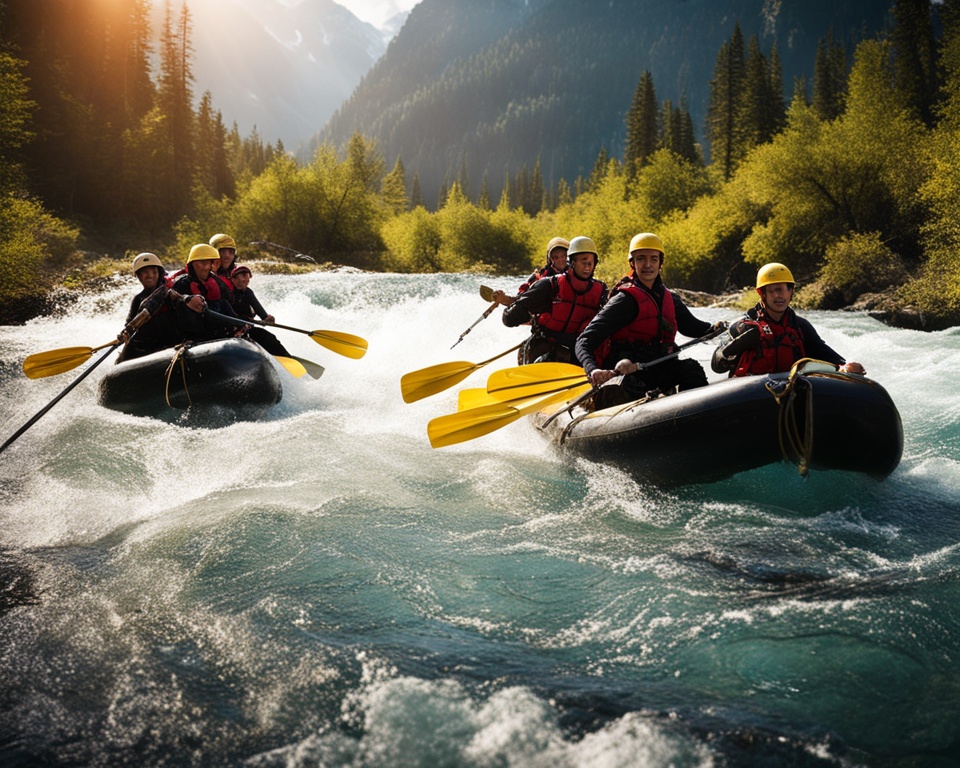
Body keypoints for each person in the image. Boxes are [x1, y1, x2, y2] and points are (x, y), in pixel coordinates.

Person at [576, 232, 723, 406]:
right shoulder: (624, 301)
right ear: (632, 263)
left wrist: (720, 328)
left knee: (692, 370)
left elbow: (695, 328)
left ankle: (697, 417)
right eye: (641, 259)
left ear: (661, 263)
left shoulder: (671, 299)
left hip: (660, 366)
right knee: (630, 385)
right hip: (627, 371)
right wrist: (593, 370)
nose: (648, 265)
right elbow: (584, 341)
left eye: (653, 259)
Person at [711, 262, 866, 377]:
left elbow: (831, 359)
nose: (781, 295)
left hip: (790, 398)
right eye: (775, 290)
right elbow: (716, 365)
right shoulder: (743, 326)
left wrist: (846, 367)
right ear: (762, 293)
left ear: (792, 292)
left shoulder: (800, 327)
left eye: (786, 289)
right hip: (752, 399)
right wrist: (733, 349)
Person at [502, 236, 608, 364]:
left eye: (590, 261)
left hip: (577, 352)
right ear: (572, 262)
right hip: (545, 345)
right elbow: (509, 318)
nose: (587, 265)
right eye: (583, 260)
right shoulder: (548, 285)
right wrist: (530, 311)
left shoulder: (600, 291)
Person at [118, 252, 204, 361]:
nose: (150, 275)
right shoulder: (138, 299)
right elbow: (130, 323)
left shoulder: (171, 292)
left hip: (171, 344)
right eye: (145, 272)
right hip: (147, 348)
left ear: (159, 274)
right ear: (139, 276)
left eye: (154, 272)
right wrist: (125, 335)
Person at [171, 243, 242, 341]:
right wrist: (187, 300)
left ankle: (236, 327)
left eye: (209, 263)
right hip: (195, 333)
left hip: (216, 330)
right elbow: (171, 297)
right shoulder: (182, 283)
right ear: (193, 264)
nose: (206, 268)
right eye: (203, 263)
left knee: (222, 302)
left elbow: (229, 299)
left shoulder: (216, 281)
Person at [229, 264, 291, 356]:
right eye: (237, 278)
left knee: (269, 338)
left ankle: (287, 358)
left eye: (244, 277)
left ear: (249, 279)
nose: (241, 280)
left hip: (247, 330)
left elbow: (262, 313)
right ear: (232, 279)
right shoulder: (228, 293)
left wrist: (267, 319)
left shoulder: (248, 293)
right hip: (231, 331)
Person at [492, 236, 570, 307]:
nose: (560, 260)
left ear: (568, 256)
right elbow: (520, 300)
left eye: (563, 256)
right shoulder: (541, 278)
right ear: (550, 259)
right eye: (556, 257)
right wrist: (504, 299)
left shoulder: (577, 272)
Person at [209, 233, 238, 305]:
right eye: (223, 251)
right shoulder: (202, 272)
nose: (227, 255)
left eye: (231, 252)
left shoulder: (234, 272)